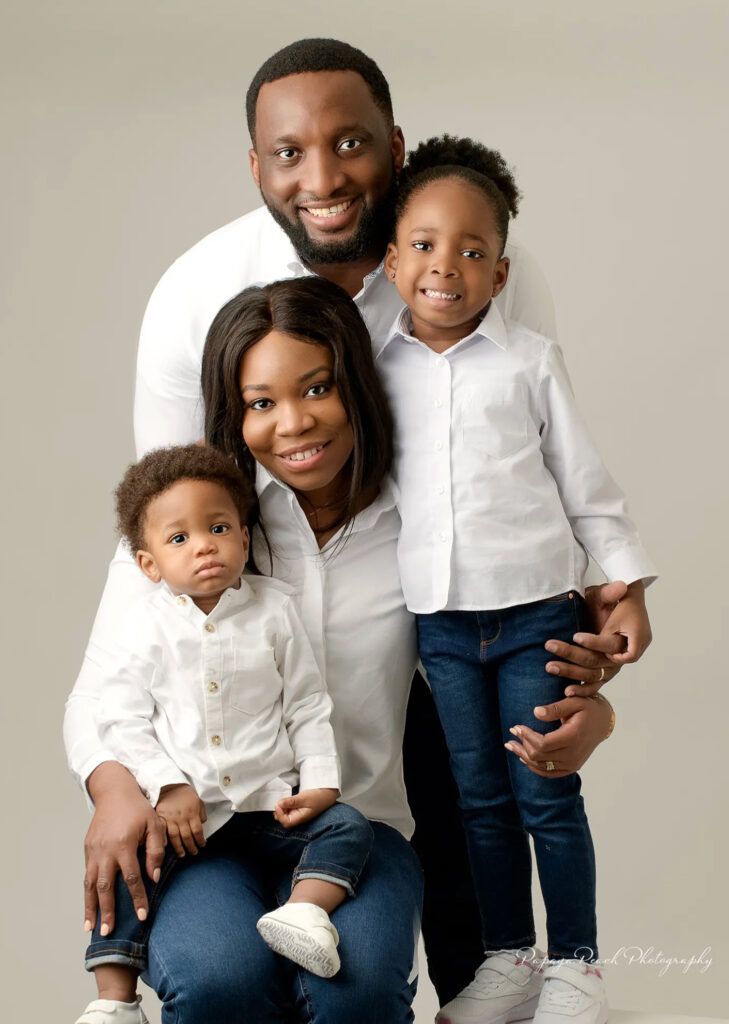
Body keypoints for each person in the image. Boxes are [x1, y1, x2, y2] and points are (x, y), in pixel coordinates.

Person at [65, 38, 638, 1014]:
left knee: (432, 937)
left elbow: (520, 483)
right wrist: (115, 774)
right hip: (230, 745)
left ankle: (521, 971)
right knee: (219, 971)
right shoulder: (196, 298)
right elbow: (158, 549)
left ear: (396, 145)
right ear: (256, 165)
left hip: (422, 655)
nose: (323, 178)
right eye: (289, 153)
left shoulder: (468, 255)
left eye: (351, 143)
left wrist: (580, 683)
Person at [378, 135, 657, 1024]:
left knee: (545, 790)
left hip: (537, 614)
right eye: (424, 245)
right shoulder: (375, 370)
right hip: (441, 625)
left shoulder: (529, 361)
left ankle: (578, 968)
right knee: (478, 801)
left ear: (499, 275)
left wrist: (629, 586)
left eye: (471, 252)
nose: (444, 266)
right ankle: (510, 960)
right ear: (391, 262)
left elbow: (585, 485)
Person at [76, 443, 375, 1024]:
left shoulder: (275, 611)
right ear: (150, 565)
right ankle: (114, 999)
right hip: (186, 821)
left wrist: (318, 782)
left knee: (348, 827)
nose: (204, 546)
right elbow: (119, 718)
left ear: (243, 536)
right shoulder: (143, 627)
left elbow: (306, 703)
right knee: (130, 861)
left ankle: (304, 912)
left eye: (218, 529)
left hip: (269, 807)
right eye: (179, 538)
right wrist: (167, 786)